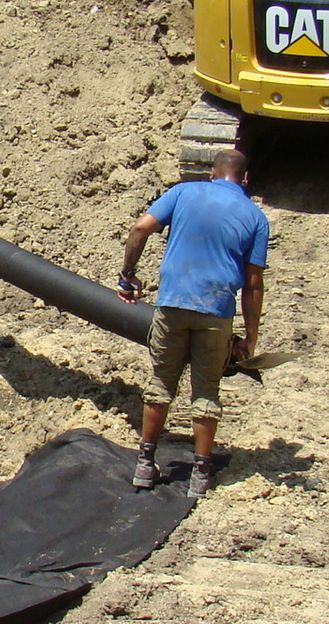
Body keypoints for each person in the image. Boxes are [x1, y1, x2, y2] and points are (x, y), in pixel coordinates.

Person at [115, 148, 269, 502]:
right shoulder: (255, 217)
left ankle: (144, 464)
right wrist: (250, 338)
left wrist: (128, 276)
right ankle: (200, 475)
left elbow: (140, 228)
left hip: (172, 303)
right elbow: (254, 283)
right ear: (244, 180)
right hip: (216, 310)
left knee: (161, 383)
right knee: (206, 390)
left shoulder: (183, 192)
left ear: (212, 173)